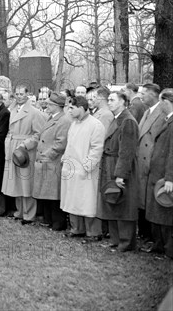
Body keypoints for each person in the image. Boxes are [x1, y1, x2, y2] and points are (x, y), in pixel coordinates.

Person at [97, 91, 140, 252]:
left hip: (120, 167)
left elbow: (127, 151)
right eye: (108, 99)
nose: (109, 102)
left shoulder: (128, 121)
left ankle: (126, 242)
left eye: (112, 99)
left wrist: (121, 174)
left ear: (123, 102)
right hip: (111, 164)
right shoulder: (117, 119)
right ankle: (116, 240)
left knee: (124, 205)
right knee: (112, 201)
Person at [60, 96, 106, 242]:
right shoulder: (74, 124)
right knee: (73, 199)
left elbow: (97, 148)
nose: (69, 110)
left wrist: (87, 166)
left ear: (81, 107)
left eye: (72, 108)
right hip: (71, 168)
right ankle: (76, 228)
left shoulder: (95, 125)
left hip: (86, 171)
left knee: (87, 201)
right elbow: (70, 144)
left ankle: (93, 232)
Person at [2, 85, 46, 224]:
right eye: (17, 94)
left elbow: (38, 134)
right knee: (15, 182)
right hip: (12, 147)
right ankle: (19, 211)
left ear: (27, 94)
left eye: (22, 94)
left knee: (26, 183)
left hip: (25, 151)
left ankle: (29, 214)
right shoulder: (13, 110)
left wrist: (25, 145)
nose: (19, 96)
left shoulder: (34, 112)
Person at [32, 93, 72, 231]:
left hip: (53, 161)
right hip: (46, 160)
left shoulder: (64, 120)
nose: (46, 105)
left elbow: (61, 142)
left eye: (49, 104)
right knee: (47, 192)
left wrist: (48, 155)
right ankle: (49, 220)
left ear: (56, 106)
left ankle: (58, 223)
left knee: (54, 194)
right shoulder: (52, 118)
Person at [136, 83, 167, 243]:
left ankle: (151, 237)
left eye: (144, 93)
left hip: (151, 165)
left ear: (154, 94)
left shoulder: (162, 113)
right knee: (142, 199)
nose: (141, 96)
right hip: (142, 164)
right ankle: (144, 234)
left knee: (149, 201)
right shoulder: (147, 112)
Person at [144, 88, 173, 258]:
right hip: (157, 174)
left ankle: (168, 249)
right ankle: (159, 246)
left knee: (165, 213)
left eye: (161, 101)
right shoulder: (166, 120)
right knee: (158, 213)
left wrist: (170, 178)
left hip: (164, 177)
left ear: (166, 102)